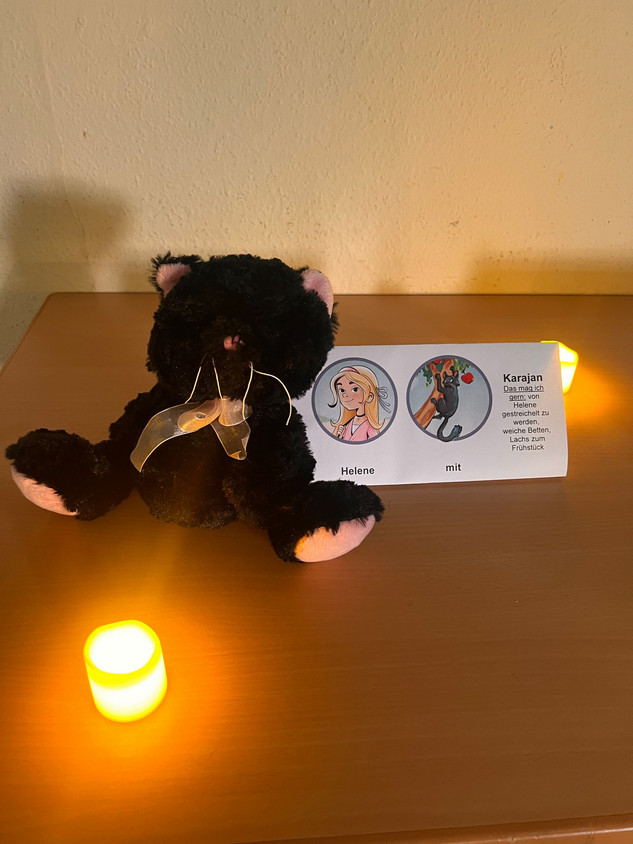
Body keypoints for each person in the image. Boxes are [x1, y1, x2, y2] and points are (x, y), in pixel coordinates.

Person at [328, 365, 389, 442]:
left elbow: (375, 445)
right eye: (342, 390)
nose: (345, 395)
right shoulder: (347, 425)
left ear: (369, 397)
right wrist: (340, 436)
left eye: (355, 389)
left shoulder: (370, 427)